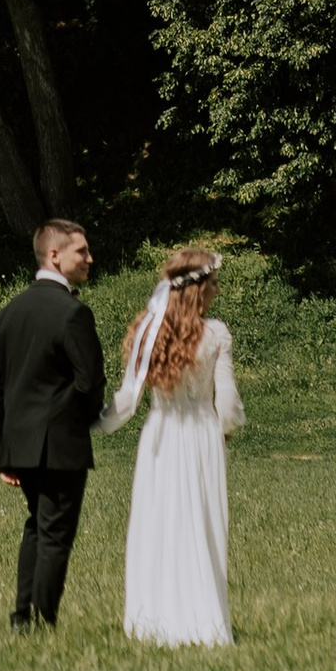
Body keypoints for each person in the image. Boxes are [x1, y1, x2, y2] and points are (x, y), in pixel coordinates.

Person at [98, 242, 243, 647]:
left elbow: (127, 400)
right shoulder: (216, 334)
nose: (216, 290)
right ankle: (202, 619)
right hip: (200, 437)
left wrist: (95, 425)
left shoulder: (149, 332)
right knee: (202, 523)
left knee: (157, 521)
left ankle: (153, 619)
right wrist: (226, 429)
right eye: (213, 283)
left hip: (160, 436)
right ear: (197, 289)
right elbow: (227, 401)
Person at [0, 215, 106, 632]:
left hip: (20, 444)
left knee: (38, 527)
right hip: (59, 445)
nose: (90, 258)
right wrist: (85, 420)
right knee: (55, 535)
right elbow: (90, 381)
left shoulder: (9, 312)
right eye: (82, 251)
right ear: (54, 255)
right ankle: (42, 621)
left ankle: (23, 617)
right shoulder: (73, 313)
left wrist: (5, 451)